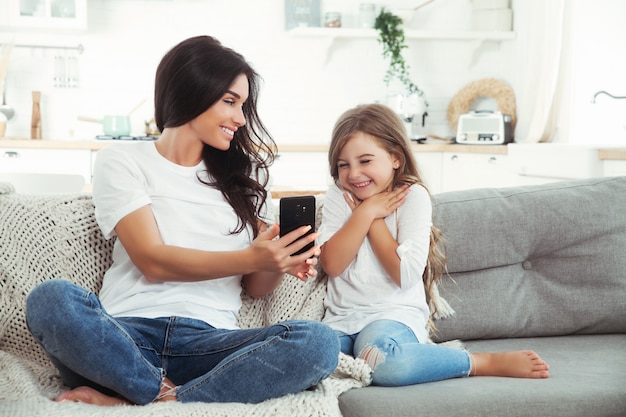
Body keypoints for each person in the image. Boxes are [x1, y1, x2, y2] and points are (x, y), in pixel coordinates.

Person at [25, 35, 339, 406]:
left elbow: (256, 287)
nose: (240, 118)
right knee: (51, 300)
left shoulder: (244, 177)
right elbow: (152, 261)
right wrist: (250, 257)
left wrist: (277, 260)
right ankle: (163, 393)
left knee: (319, 343)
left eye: (244, 105)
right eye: (230, 101)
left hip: (209, 344)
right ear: (192, 91)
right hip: (123, 340)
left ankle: (152, 399)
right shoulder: (123, 161)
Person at [318, 103, 549, 386]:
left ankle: (477, 362)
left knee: (382, 360)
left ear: (395, 158)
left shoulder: (413, 197)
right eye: (344, 165)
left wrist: (371, 216)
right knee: (306, 358)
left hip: (391, 318)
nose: (353, 174)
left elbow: (404, 275)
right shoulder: (339, 195)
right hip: (340, 321)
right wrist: (365, 212)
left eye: (365, 161)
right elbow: (332, 264)